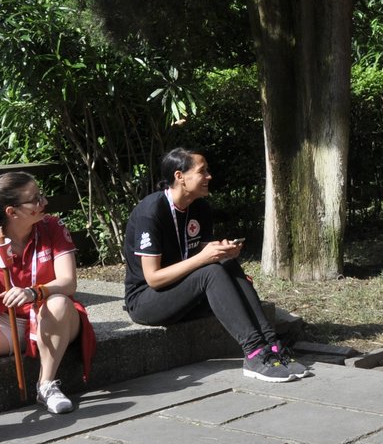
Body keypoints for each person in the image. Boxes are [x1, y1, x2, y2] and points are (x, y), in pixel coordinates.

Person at [123, 149, 307, 385]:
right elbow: (153, 278)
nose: (209, 176)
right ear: (180, 176)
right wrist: (205, 258)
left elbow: (199, 249)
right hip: (146, 300)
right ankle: (253, 353)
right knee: (210, 270)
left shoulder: (198, 207)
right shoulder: (151, 212)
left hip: (183, 291)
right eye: (203, 171)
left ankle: (272, 345)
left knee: (225, 262)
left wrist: (222, 249)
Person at [0, 171, 95, 415]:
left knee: (57, 302)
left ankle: (46, 385)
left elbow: (68, 283)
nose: (43, 202)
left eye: (41, 195)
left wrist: (34, 293)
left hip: (55, 317)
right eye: (35, 200)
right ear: (11, 212)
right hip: (8, 321)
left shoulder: (53, 226)